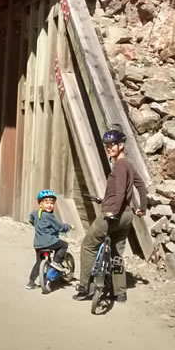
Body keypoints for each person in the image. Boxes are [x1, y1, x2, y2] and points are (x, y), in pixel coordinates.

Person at [72, 129, 147, 302]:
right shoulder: (128, 164)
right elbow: (141, 186)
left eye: (112, 145)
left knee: (88, 245)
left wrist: (113, 210)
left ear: (121, 145)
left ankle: (85, 287)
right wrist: (142, 207)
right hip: (127, 215)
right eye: (106, 145)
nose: (109, 148)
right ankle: (119, 292)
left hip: (114, 214)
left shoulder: (120, 166)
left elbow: (120, 191)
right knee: (116, 253)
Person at [26, 189, 73, 290]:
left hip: (38, 244)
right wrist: (69, 227)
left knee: (39, 262)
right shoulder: (49, 216)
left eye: (52, 203)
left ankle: (31, 283)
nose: (49, 205)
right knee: (64, 245)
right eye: (46, 203)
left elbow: (30, 219)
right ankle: (56, 262)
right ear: (41, 204)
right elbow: (59, 227)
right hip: (49, 241)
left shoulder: (35, 213)